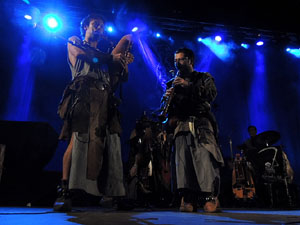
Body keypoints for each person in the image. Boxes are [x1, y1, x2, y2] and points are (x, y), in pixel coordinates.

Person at [54, 14, 133, 211]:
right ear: (85, 28)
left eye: (101, 26)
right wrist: (111, 58)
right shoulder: (75, 41)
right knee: (77, 139)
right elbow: (83, 55)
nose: (98, 28)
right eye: (94, 25)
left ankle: (114, 193)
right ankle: (65, 190)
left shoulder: (106, 57)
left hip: (105, 99)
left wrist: (122, 66)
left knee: (111, 141)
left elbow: (114, 83)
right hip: (83, 96)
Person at [162, 47, 224, 213]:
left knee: (204, 158)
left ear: (190, 60)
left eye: (181, 59)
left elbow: (211, 95)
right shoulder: (171, 82)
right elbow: (167, 111)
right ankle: (187, 197)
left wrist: (188, 85)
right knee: (183, 162)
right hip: (181, 126)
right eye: (175, 60)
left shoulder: (203, 77)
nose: (177, 63)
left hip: (200, 122)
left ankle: (210, 197)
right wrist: (168, 106)